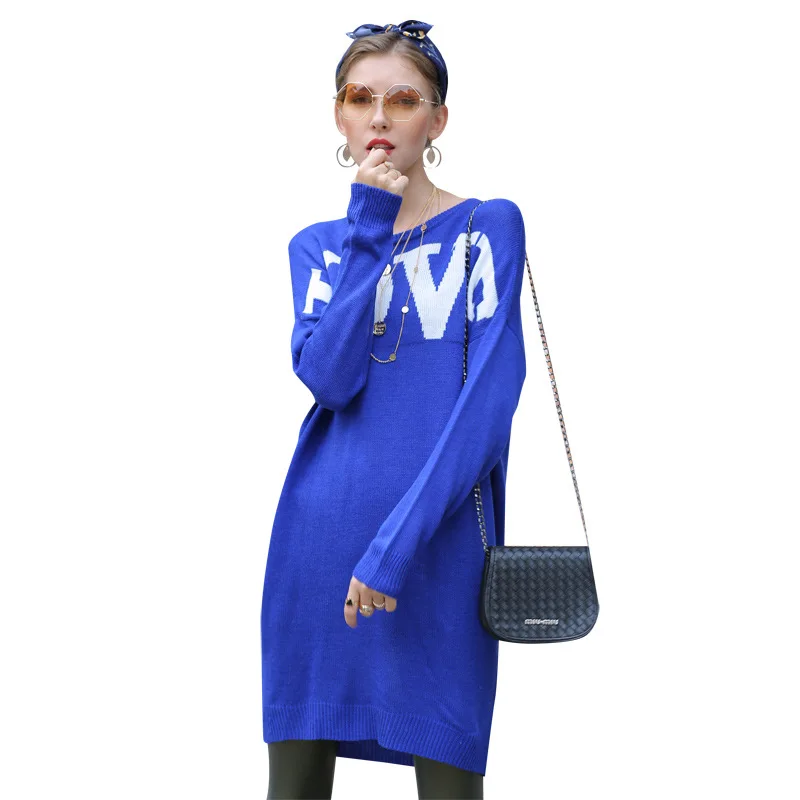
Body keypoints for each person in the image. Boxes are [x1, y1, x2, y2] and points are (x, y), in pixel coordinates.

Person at [261, 19, 528, 800]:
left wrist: (392, 551)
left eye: (404, 100)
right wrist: (369, 227)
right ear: (338, 117)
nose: (380, 117)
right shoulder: (319, 247)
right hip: (315, 553)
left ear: (436, 120)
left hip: (436, 557)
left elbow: (487, 409)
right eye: (360, 98)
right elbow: (329, 380)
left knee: (450, 778)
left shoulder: (487, 227)